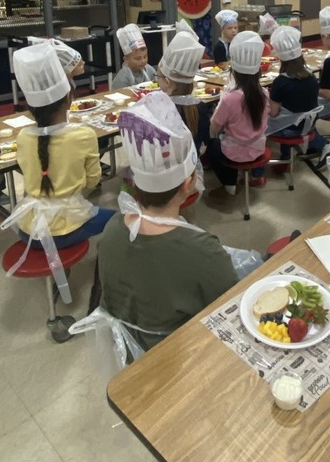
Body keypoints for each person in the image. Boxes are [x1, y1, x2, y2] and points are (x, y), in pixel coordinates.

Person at [97, 93, 238, 353]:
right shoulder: (203, 250)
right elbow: (231, 307)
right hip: (181, 357)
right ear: (188, 184)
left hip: (128, 354)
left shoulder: (111, 230)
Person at [3, 42, 115, 254]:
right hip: (65, 229)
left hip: (28, 228)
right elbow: (93, 181)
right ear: (69, 98)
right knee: (119, 221)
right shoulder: (83, 135)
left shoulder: (24, 137)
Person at [205, 31, 269, 206]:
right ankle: (252, 175)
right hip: (258, 148)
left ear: (233, 73)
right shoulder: (264, 93)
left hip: (234, 153)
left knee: (212, 144)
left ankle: (229, 185)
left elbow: (214, 127)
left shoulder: (230, 99)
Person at [267, 25, 328, 170]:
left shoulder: (280, 82)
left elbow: (274, 113)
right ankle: (287, 156)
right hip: (310, 125)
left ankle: (279, 160)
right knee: (291, 114)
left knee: (265, 120)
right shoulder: (312, 77)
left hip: (289, 130)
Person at [155, 29, 212, 151]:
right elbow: (207, 139)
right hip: (194, 162)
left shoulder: (159, 110)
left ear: (167, 82)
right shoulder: (201, 107)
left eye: (158, 76)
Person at [112, 24, 156, 88]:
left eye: (145, 56)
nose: (143, 61)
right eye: (138, 58)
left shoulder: (150, 70)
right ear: (126, 59)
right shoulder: (121, 80)